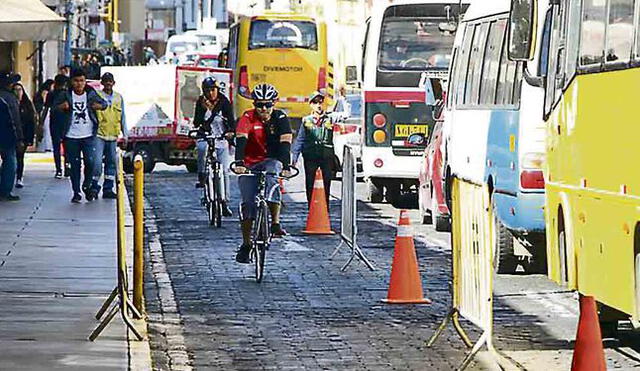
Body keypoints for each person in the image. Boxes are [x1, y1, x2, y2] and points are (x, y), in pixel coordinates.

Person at [231, 83, 293, 264]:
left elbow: (285, 143)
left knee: (273, 175)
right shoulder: (247, 117)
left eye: (267, 104)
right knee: (248, 203)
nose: (264, 109)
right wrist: (239, 163)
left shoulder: (281, 117)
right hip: (250, 162)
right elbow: (241, 139)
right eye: (259, 105)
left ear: (274, 103)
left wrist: (287, 166)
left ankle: (275, 223)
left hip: (271, 159)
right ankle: (246, 244)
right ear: (254, 104)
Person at [52, 68, 108, 203]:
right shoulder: (65, 94)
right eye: (76, 81)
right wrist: (61, 107)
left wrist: (98, 106)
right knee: (74, 165)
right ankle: (76, 191)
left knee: (91, 162)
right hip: (71, 136)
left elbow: (104, 103)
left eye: (82, 81)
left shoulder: (90, 93)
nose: (79, 84)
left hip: (88, 134)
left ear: (85, 81)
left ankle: (87, 185)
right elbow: (53, 108)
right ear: (72, 81)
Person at [291, 91, 344, 208]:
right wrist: (294, 158)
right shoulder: (306, 120)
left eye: (320, 102)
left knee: (326, 183)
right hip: (310, 156)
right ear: (311, 105)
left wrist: (342, 98)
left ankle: (324, 208)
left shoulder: (330, 118)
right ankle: (311, 207)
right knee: (310, 183)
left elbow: (346, 115)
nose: (318, 105)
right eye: (315, 102)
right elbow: (300, 140)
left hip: (326, 157)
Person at [193, 76, 234, 216]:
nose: (211, 93)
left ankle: (224, 201)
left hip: (221, 138)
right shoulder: (201, 102)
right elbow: (196, 122)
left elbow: (231, 121)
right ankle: (202, 176)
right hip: (206, 136)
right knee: (201, 149)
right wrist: (205, 110)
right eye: (208, 90)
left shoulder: (224, 102)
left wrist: (230, 133)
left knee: (224, 171)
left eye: (213, 90)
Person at [94, 72, 128, 199]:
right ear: (102, 83)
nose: (108, 83)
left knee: (111, 163)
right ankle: (94, 186)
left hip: (113, 135)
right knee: (96, 163)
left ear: (114, 83)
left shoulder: (119, 98)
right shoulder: (97, 96)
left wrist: (125, 135)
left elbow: (123, 116)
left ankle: (108, 188)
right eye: (106, 81)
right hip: (99, 134)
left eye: (110, 81)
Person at [0, 72, 23, 201]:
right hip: (7, 136)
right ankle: (5, 190)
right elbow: (15, 120)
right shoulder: (9, 98)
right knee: (10, 162)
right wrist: (19, 138)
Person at [12, 83, 37, 189]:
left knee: (19, 156)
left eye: (20, 90)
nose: (18, 92)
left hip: (23, 135)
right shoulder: (10, 104)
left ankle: (19, 177)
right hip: (11, 135)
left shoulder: (27, 105)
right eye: (16, 90)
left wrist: (30, 138)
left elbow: (31, 122)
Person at [47, 74, 70, 178]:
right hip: (64, 122)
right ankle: (66, 168)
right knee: (66, 147)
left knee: (57, 147)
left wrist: (40, 123)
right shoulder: (66, 94)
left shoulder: (52, 94)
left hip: (57, 122)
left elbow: (46, 109)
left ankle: (59, 169)